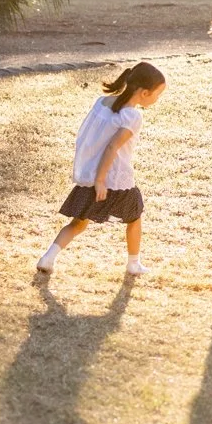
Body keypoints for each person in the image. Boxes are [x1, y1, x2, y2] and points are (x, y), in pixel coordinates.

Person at [36, 61, 165, 277]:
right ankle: (134, 263)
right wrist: (101, 180)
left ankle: (48, 257)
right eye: (157, 94)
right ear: (144, 93)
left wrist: (93, 176)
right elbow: (112, 147)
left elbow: (88, 137)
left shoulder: (102, 103)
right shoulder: (132, 116)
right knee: (135, 217)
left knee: (78, 223)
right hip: (113, 178)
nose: (157, 99)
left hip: (91, 175)